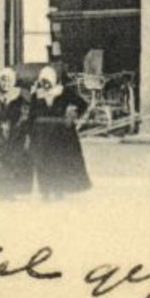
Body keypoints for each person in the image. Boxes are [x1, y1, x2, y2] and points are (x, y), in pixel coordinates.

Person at [27, 65, 90, 198]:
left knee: (58, 162)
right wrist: (29, 133)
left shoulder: (63, 92)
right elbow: (31, 115)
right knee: (42, 162)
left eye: (48, 81)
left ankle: (58, 189)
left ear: (53, 80)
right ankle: (45, 191)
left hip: (60, 134)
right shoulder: (36, 95)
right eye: (43, 81)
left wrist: (72, 115)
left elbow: (83, 104)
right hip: (41, 135)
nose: (45, 84)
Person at [0, 68, 34, 198]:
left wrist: (26, 132)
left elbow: (27, 115)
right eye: (2, 80)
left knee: (15, 158)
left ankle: (13, 189)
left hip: (17, 132)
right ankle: (1, 190)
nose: (5, 84)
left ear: (14, 81)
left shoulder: (22, 96)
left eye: (8, 80)